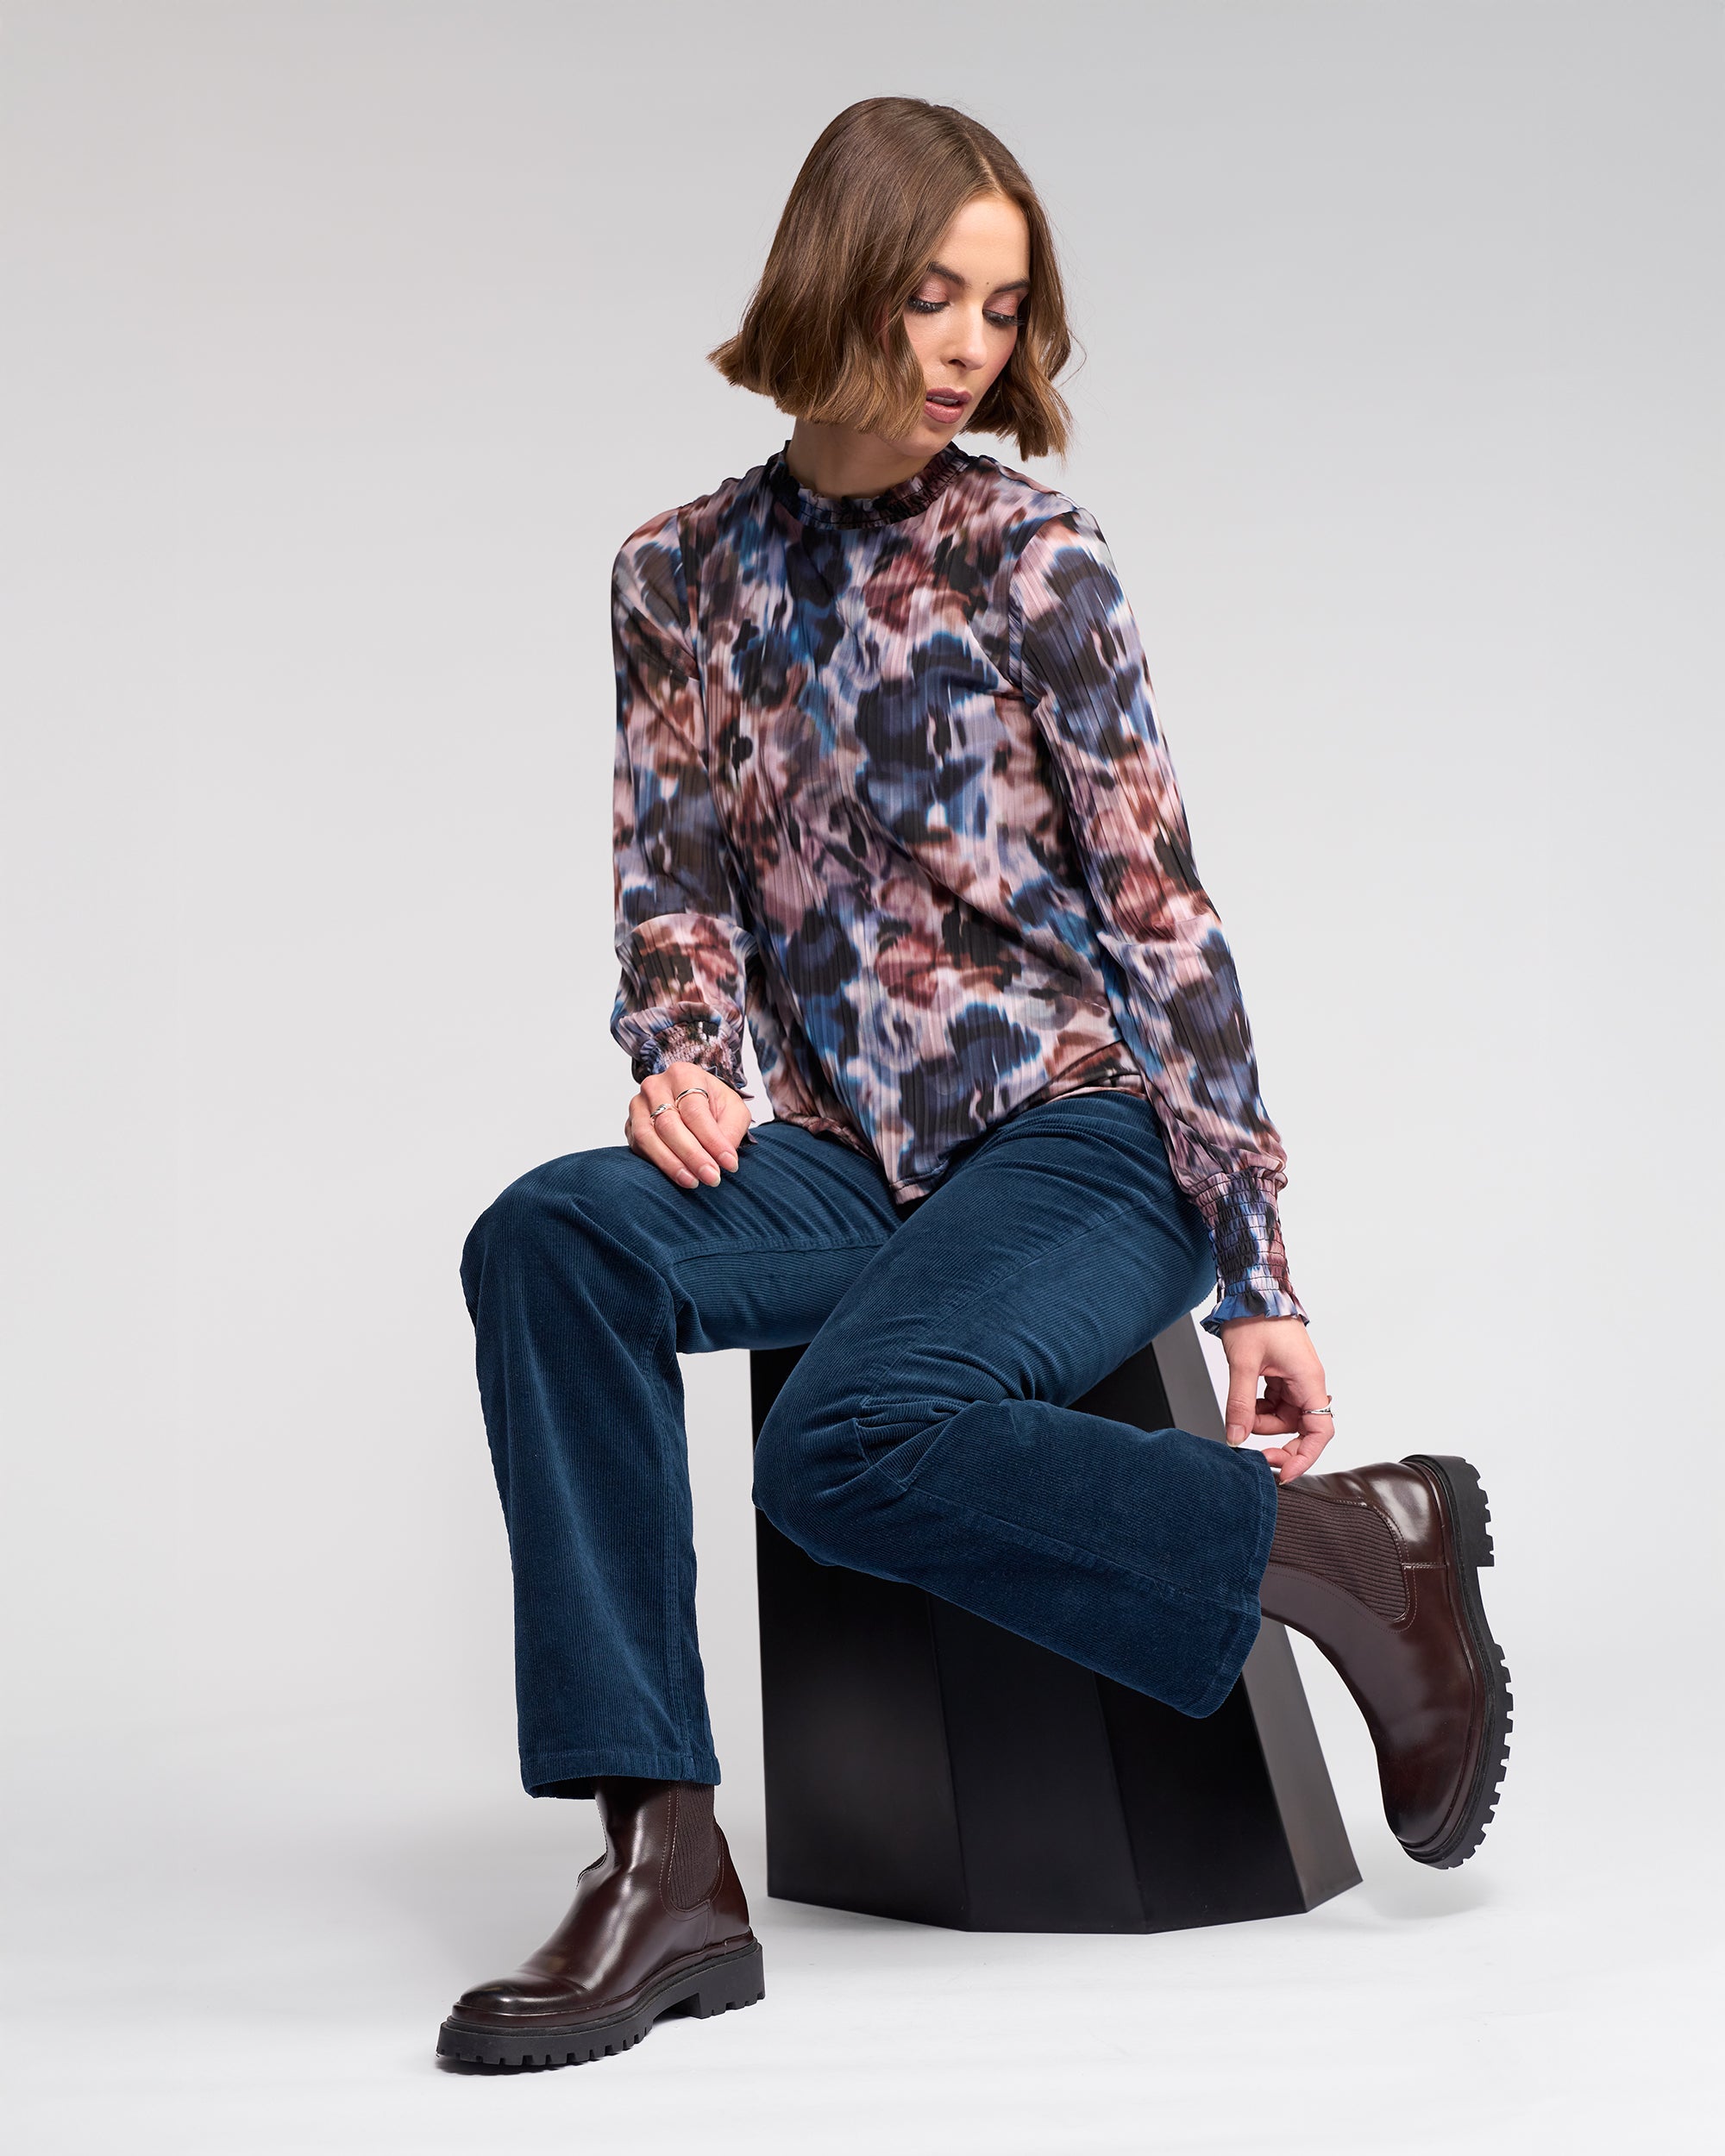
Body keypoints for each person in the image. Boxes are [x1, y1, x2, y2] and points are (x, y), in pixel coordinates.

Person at [436, 98, 1511, 2071]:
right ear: (831, 276)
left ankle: (1354, 1557)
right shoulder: (675, 577)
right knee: (551, 1241)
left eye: (1000, 310)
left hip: (1082, 1141)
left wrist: (1257, 1258)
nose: (965, 349)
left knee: (838, 1441)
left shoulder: (1032, 557)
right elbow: (668, 884)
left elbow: (1164, 916)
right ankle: (661, 1853)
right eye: (932, 292)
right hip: (844, 1159)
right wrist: (680, 1052)